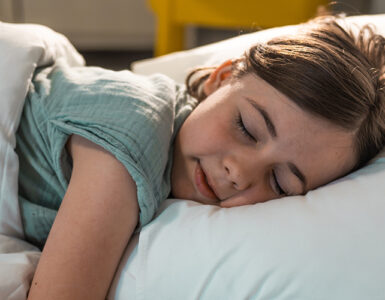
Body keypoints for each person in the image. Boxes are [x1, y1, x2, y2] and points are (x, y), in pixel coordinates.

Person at [16, 15, 385, 299]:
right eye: (247, 128)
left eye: (279, 182)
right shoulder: (131, 134)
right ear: (221, 79)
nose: (238, 172)